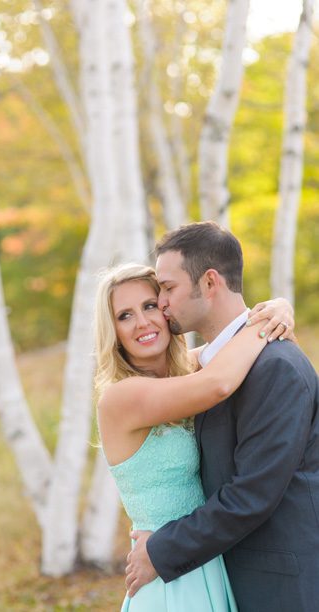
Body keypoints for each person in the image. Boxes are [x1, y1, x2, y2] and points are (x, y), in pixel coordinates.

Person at [124, 221, 319, 611]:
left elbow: (253, 493)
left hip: (279, 587)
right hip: (223, 577)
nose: (161, 303)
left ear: (210, 282)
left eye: (168, 288)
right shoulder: (209, 367)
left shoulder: (276, 366)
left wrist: (161, 551)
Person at [95, 263, 293, 610]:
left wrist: (280, 306)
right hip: (166, 572)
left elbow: (225, 352)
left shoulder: (185, 371)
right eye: (125, 315)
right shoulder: (121, 398)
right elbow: (218, 383)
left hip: (204, 557)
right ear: (112, 331)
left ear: (167, 308)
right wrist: (266, 322)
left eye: (150, 306)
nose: (142, 322)